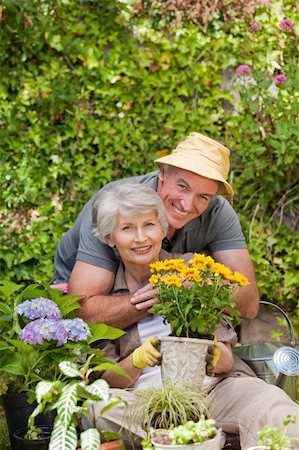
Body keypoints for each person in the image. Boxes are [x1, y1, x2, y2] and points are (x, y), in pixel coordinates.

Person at [83, 183, 299, 450]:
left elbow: (228, 359)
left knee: (271, 402)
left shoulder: (193, 270)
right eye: (127, 228)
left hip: (215, 391)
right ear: (109, 238)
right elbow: (107, 379)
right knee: (99, 407)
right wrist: (137, 360)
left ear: (163, 229)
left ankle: (190, 438)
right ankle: (198, 437)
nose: (141, 238)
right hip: (147, 403)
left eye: (149, 225)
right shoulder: (107, 300)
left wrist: (215, 355)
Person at [51, 132, 260, 325]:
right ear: (162, 173)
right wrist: (163, 293)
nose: (186, 205)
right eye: (182, 186)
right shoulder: (115, 204)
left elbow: (249, 303)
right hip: (89, 301)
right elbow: (82, 310)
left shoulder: (218, 213)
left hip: (153, 300)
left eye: (203, 196)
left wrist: (193, 286)